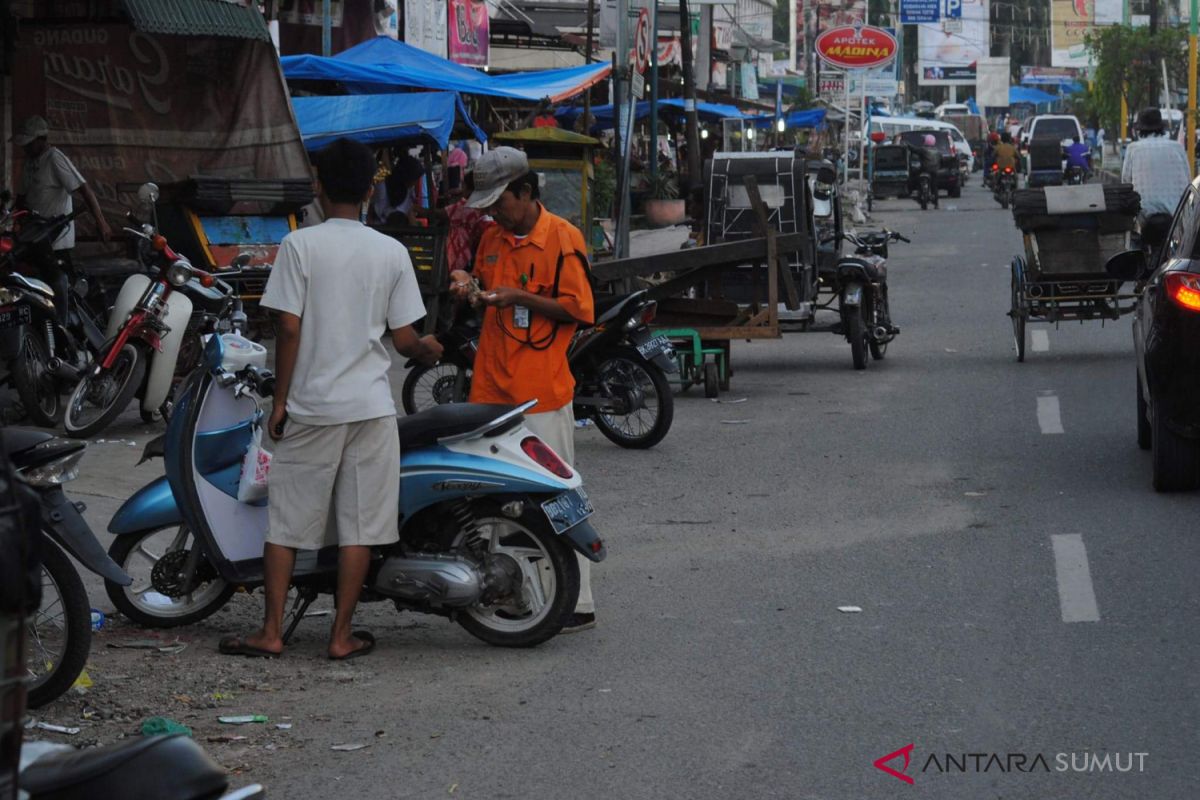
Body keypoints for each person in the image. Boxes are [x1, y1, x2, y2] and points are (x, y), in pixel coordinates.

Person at [219, 137, 443, 660]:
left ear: (319, 185)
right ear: (370, 189)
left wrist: (281, 399)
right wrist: (430, 350)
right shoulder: (390, 251)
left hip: (314, 405)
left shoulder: (300, 246)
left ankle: (271, 631)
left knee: (288, 522)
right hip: (370, 406)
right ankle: (341, 636)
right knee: (361, 525)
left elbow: (289, 330)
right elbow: (406, 340)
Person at [446, 147, 598, 632]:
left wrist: (518, 298)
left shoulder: (562, 238)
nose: (492, 213)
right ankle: (514, 595)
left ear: (526, 193)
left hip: (543, 394)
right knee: (496, 499)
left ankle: (578, 602)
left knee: (555, 497)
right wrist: (467, 282)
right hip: (491, 390)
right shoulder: (492, 238)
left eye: (499, 203)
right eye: (487, 206)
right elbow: (483, 287)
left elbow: (580, 310)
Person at [13, 115, 112, 325]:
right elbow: (21, 198)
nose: (26, 148)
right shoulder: (30, 164)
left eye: (29, 144)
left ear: (41, 139)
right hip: (34, 236)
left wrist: (101, 222)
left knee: (58, 280)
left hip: (55, 239)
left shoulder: (55, 158)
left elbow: (85, 189)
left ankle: (62, 323)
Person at [1121, 108, 1192, 249]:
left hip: (1144, 219)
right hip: (1174, 219)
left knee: (1132, 244)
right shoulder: (1177, 148)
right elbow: (1188, 182)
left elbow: (1125, 183)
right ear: (1161, 128)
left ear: (1139, 130)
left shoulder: (1133, 149)